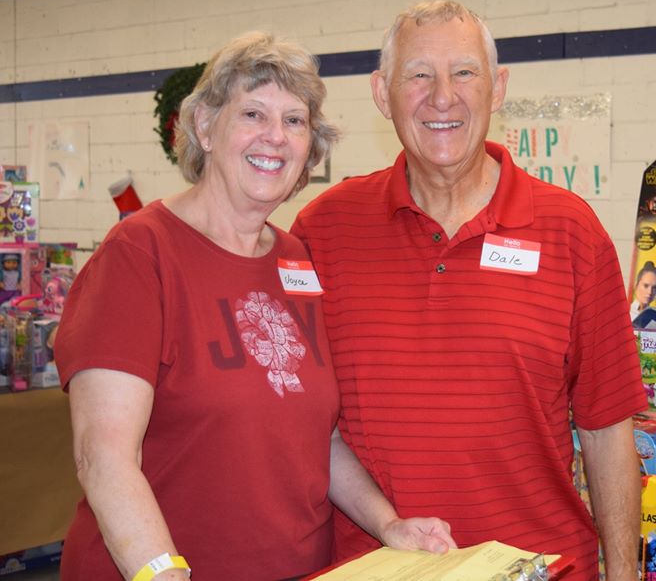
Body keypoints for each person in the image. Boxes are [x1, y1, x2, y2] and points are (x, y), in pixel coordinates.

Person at [54, 32, 455, 581]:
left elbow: (322, 438)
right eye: (253, 113)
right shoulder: (139, 255)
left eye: (295, 121)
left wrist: (388, 525)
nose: (276, 137)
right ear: (204, 127)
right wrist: (161, 572)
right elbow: (102, 457)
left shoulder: (295, 261)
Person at [293, 0, 646, 581]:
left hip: (542, 567)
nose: (442, 97)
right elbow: (302, 423)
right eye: (419, 75)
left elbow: (606, 425)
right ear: (382, 93)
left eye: (464, 72)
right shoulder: (322, 231)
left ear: (497, 88)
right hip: (376, 568)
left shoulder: (570, 232)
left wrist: (623, 572)